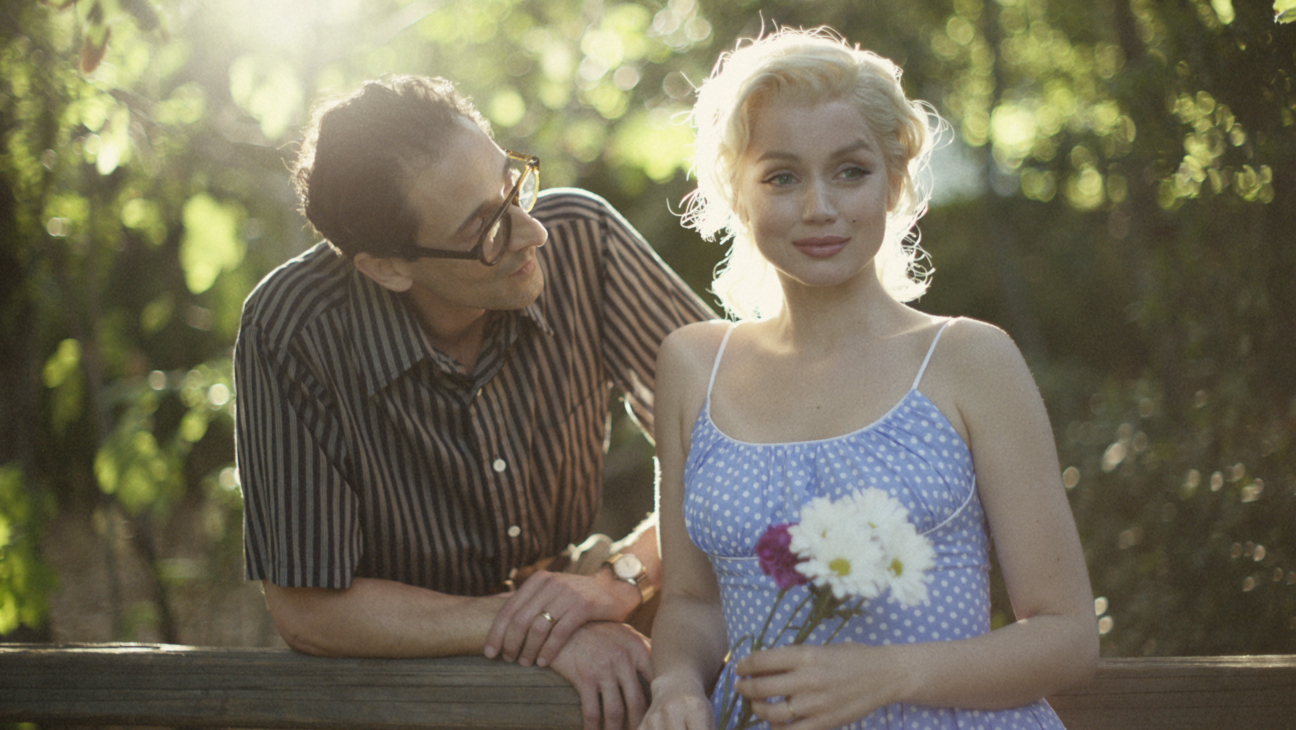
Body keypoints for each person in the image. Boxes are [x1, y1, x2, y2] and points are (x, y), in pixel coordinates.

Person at [640, 28, 1098, 730]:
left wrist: (889, 675)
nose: (819, 206)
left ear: (895, 181)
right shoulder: (693, 364)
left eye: (850, 171)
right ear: (737, 190)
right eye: (782, 176)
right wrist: (675, 684)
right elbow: (695, 605)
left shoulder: (970, 359)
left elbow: (1067, 636)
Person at [233, 75, 714, 730]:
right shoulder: (293, 329)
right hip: (399, 687)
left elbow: (743, 439)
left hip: (593, 606)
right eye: (486, 227)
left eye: (512, 184)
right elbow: (310, 610)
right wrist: (546, 630)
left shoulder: (584, 240)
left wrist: (618, 581)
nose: (531, 232)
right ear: (387, 267)